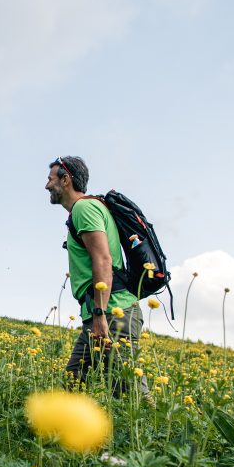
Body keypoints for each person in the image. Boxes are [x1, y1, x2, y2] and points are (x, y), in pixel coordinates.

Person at [46, 156, 147, 395]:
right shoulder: (85, 209)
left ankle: (162, 432)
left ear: (66, 179)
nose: (47, 186)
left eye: (50, 179)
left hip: (112, 314)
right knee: (74, 382)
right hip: (100, 313)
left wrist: (100, 315)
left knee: (130, 394)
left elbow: (102, 260)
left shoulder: (84, 208)